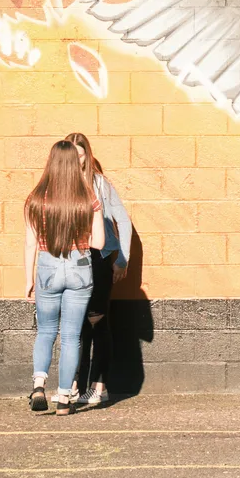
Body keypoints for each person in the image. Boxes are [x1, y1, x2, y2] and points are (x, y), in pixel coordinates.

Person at [24, 140, 105, 416]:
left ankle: (38, 383)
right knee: (71, 336)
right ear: (75, 164)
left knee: (46, 331)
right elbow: (99, 241)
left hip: (47, 265)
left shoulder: (36, 199)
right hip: (79, 266)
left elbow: (30, 243)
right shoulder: (88, 199)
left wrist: (28, 279)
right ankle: (63, 399)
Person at [64, 132, 134, 408]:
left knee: (98, 322)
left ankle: (98, 386)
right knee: (75, 325)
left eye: (80, 155)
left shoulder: (100, 184)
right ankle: (71, 385)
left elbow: (124, 221)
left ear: (87, 154)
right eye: (72, 155)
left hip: (99, 261)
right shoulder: (61, 185)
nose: (77, 161)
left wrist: (122, 260)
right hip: (71, 262)